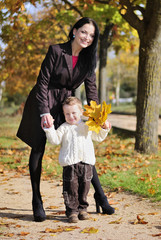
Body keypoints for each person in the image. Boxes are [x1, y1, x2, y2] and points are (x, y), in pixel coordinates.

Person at [17, 17, 115, 222]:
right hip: (42, 101)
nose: (87, 37)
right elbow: (42, 83)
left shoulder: (89, 59)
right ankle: (37, 200)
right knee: (38, 148)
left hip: (67, 105)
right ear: (74, 31)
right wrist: (44, 112)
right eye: (84, 32)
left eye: (91, 35)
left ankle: (99, 195)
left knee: (82, 143)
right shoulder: (56, 51)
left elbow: (91, 90)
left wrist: (97, 117)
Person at [44, 96, 111, 223]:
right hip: (70, 164)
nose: (71, 116)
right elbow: (54, 140)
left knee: (84, 188)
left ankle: (82, 209)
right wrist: (50, 128)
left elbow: (98, 137)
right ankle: (72, 211)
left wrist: (104, 128)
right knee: (70, 189)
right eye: (67, 114)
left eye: (74, 113)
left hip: (86, 163)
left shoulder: (87, 126)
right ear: (64, 115)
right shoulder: (63, 127)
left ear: (81, 112)